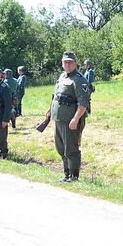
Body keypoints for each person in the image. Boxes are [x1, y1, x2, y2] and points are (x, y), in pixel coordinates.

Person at [43, 51, 91, 182]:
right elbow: (56, 96)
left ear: (75, 63)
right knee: (61, 148)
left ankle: (73, 176)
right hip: (58, 119)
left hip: (70, 121)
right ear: (62, 63)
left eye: (71, 62)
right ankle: (66, 174)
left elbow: (83, 103)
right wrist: (50, 111)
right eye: (66, 62)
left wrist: (75, 119)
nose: (68, 64)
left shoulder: (79, 80)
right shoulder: (62, 77)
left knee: (71, 149)